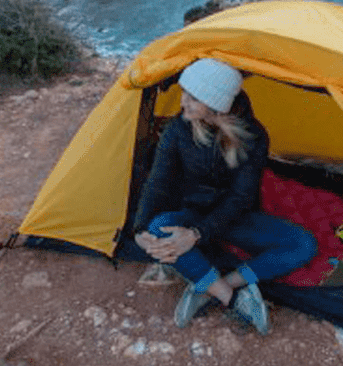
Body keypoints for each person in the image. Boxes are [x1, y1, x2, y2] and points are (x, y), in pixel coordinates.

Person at [133, 58, 317, 334]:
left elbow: (240, 199)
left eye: (194, 99)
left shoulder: (254, 136)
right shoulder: (178, 129)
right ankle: (230, 297)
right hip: (191, 211)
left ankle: (210, 288)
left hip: (234, 218)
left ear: (216, 104)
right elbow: (158, 181)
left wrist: (195, 235)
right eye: (184, 93)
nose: (183, 103)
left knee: (303, 245)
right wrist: (139, 229)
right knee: (157, 227)